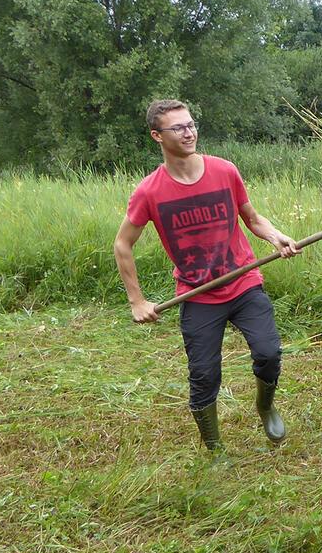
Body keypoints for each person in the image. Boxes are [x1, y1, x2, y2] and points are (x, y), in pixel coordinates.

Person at [113, 99, 299, 454]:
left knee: (268, 351)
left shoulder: (225, 171)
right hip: (197, 294)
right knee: (203, 375)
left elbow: (253, 218)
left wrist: (276, 236)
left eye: (191, 124)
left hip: (243, 282)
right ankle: (214, 449)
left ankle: (265, 405)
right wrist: (137, 300)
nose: (189, 132)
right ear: (157, 136)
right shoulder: (149, 191)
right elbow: (122, 244)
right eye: (178, 127)